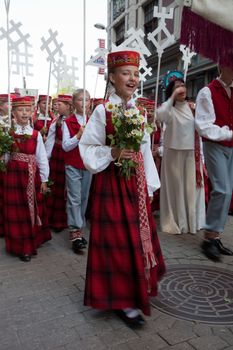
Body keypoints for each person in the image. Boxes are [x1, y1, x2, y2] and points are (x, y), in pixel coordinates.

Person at [79, 50, 165, 326]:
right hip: (112, 185)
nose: (132, 78)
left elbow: (145, 151)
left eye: (135, 73)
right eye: (125, 73)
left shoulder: (139, 111)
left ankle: (136, 289)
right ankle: (123, 300)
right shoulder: (103, 110)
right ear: (112, 78)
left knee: (138, 239)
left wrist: (150, 185)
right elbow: (87, 147)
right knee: (117, 242)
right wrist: (112, 152)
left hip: (136, 184)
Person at [3, 96, 51, 262]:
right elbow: (7, 157)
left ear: (32, 112)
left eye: (27, 109)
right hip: (13, 178)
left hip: (31, 177)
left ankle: (31, 242)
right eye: (20, 109)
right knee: (16, 211)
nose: (24, 113)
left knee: (30, 209)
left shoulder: (36, 134)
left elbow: (42, 158)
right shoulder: (9, 133)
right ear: (13, 113)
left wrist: (44, 179)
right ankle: (19, 245)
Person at [156, 76, 205, 234]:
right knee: (175, 189)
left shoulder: (193, 108)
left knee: (190, 189)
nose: (181, 88)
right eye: (177, 86)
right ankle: (176, 222)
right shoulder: (168, 108)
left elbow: (201, 131)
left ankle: (191, 222)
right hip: (173, 154)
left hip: (191, 154)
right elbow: (160, 115)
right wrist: (172, 97)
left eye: (183, 85)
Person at [195, 65, 233, 261]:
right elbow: (203, 126)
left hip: (231, 146)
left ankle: (215, 236)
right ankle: (208, 238)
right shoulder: (206, 91)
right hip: (214, 145)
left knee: (227, 192)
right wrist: (228, 133)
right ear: (223, 66)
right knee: (221, 190)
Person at [62, 89, 92, 253]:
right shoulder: (68, 122)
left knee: (83, 196)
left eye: (86, 100)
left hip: (87, 164)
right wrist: (79, 135)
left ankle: (79, 229)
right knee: (74, 197)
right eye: (80, 100)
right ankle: (75, 232)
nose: (84, 103)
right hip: (73, 164)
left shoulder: (93, 121)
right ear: (74, 103)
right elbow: (66, 146)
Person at [45, 94, 73, 232]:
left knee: (64, 187)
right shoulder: (56, 121)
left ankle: (61, 220)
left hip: (68, 155)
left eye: (60, 105)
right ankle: (50, 218)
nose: (57, 107)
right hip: (56, 155)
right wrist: (46, 157)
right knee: (54, 185)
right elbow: (50, 139)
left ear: (68, 106)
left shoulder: (73, 121)